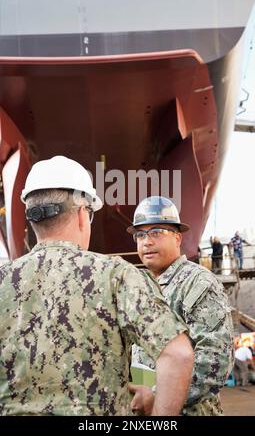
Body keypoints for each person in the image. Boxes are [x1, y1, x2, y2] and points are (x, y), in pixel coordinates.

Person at [0, 157, 194, 416]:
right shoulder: (116, 275)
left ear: (32, 218)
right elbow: (179, 355)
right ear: (82, 214)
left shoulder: (3, 279)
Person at [127, 196, 234, 416]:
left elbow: (215, 361)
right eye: (140, 234)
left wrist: (158, 397)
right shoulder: (140, 285)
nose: (146, 242)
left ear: (177, 238)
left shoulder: (198, 283)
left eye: (156, 232)